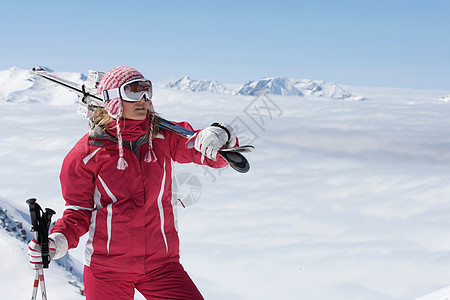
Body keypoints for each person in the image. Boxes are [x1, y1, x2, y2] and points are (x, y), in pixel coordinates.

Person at [28, 66, 237, 299]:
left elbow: (209, 153)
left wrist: (222, 136)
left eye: (147, 90)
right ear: (114, 99)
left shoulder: (164, 138)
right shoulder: (85, 155)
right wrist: (58, 241)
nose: (143, 100)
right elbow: (78, 211)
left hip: (162, 267)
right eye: (133, 92)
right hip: (106, 271)